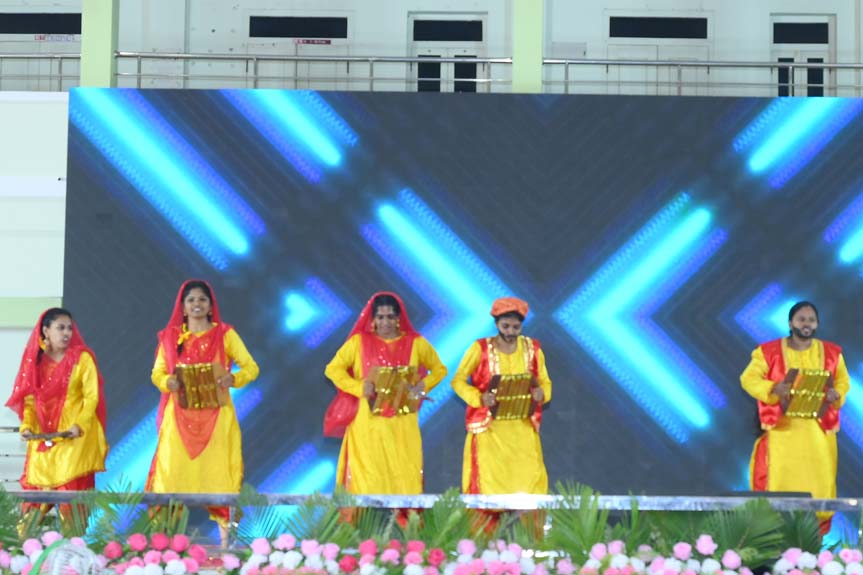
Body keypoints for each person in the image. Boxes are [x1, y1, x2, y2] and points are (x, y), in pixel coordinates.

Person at [146, 280, 259, 546]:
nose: (197, 304)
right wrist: (168, 382)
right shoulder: (171, 338)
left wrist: (233, 379)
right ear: (183, 308)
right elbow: (157, 373)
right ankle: (163, 550)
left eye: (202, 300)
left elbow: (251, 367)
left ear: (210, 306)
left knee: (220, 479)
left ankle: (227, 549)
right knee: (170, 477)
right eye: (191, 300)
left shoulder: (226, 335)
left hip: (217, 419)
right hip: (178, 419)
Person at [741, 301, 850, 535]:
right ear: (791, 323)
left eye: (811, 319)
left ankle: (813, 540)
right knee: (779, 484)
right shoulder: (768, 352)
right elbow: (748, 379)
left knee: (820, 485)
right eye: (801, 319)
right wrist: (773, 388)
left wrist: (837, 393)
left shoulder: (832, 353)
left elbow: (843, 381)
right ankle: (775, 537)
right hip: (783, 432)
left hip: (819, 434)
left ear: (817, 324)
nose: (806, 324)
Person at [324, 291, 447, 496]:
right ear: (372, 319)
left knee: (405, 475)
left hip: (403, 423)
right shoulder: (358, 342)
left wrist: (422, 385)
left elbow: (439, 369)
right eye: (380, 317)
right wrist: (358, 387)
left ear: (398, 318)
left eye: (390, 317)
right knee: (367, 479)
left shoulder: (416, 343)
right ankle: (364, 516)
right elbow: (332, 369)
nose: (385, 322)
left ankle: (405, 516)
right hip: (368, 424)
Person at [6, 308, 108, 526]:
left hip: (74, 440)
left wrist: (79, 425)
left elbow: (92, 398)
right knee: (30, 516)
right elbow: (30, 402)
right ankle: (22, 547)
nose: (67, 333)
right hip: (43, 439)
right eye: (60, 328)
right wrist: (27, 426)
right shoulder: (35, 362)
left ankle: (73, 546)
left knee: (72, 511)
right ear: (46, 331)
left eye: (69, 328)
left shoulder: (82, 359)